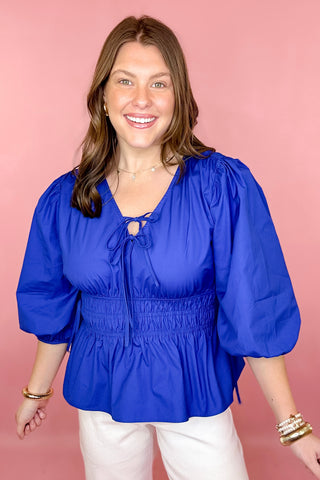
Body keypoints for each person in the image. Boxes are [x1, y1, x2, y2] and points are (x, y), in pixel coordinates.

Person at [15, 15, 320, 480]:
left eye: (159, 83)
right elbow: (53, 306)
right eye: (125, 81)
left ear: (179, 96)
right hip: (102, 394)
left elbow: (254, 306)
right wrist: (35, 394)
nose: (141, 99)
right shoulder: (65, 200)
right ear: (103, 95)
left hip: (193, 388)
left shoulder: (221, 186)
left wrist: (293, 426)